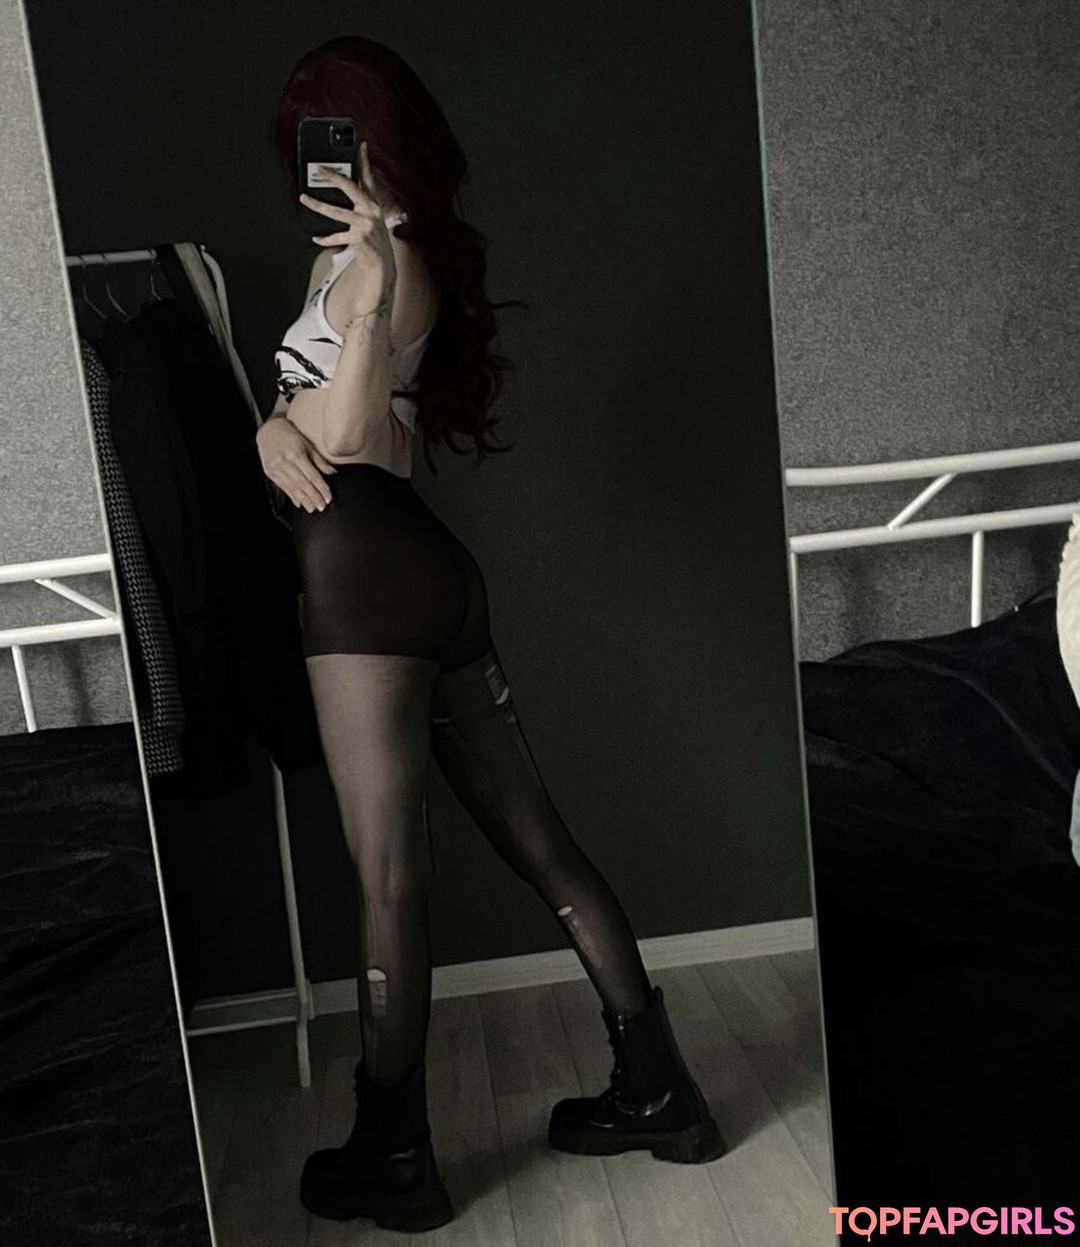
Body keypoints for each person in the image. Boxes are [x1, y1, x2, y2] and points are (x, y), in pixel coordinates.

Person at [256, 35, 725, 1235]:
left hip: (363, 576)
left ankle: (393, 1152)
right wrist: (268, 427)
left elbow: (348, 438)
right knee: (539, 841)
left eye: (339, 136)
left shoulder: (389, 261)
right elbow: (344, 420)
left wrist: (354, 314)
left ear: (384, 139)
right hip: (420, 567)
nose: (325, 162)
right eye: (310, 143)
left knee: (387, 876)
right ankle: (659, 1088)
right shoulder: (361, 259)